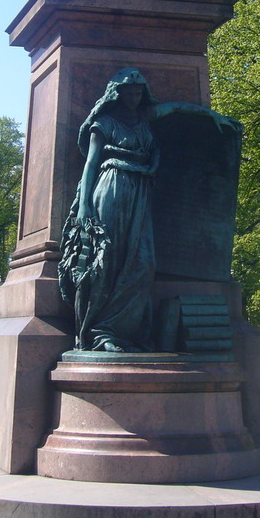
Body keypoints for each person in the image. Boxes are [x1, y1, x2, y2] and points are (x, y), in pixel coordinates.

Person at [58, 68, 238, 352]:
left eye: (138, 92)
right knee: (108, 261)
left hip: (140, 190)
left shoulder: (145, 118)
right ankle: (101, 333)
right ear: (115, 95)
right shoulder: (103, 123)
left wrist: (211, 115)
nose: (133, 97)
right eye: (128, 92)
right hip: (112, 188)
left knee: (143, 263)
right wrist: (84, 205)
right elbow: (91, 163)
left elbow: (178, 108)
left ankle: (125, 331)